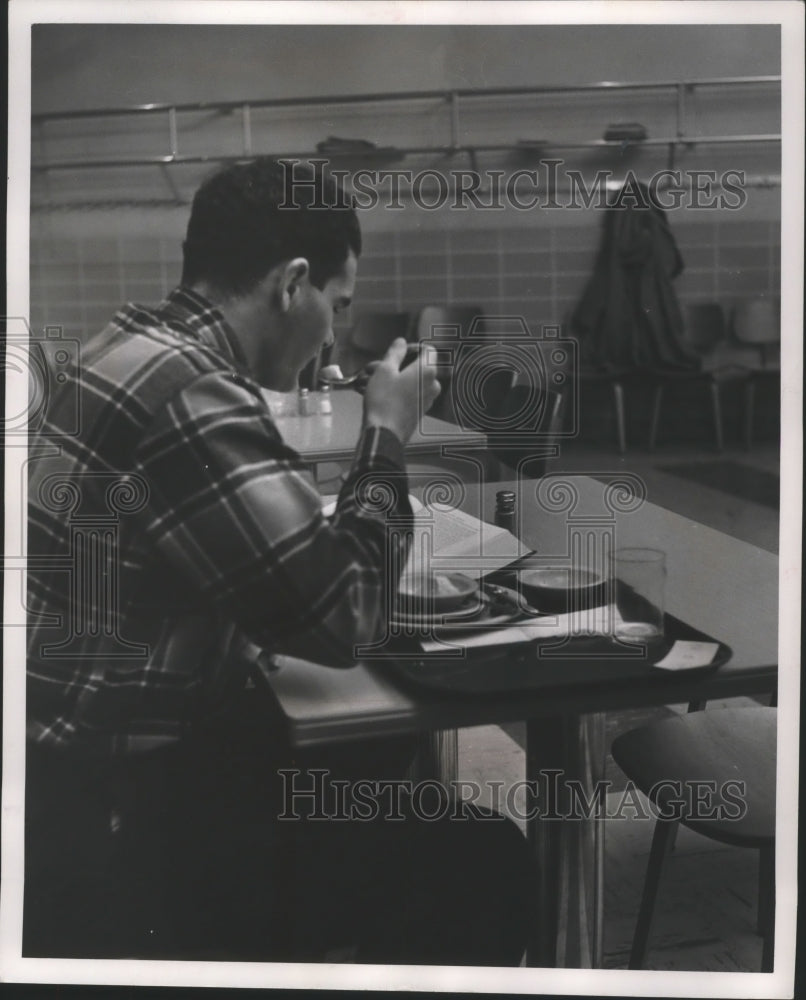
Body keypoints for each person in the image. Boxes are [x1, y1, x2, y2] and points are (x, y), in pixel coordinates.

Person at [25, 157, 533, 965]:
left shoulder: (122, 344)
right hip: (122, 815)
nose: (333, 335)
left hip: (63, 770)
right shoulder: (191, 393)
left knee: (371, 745)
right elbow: (345, 618)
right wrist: (387, 433)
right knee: (487, 855)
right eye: (337, 307)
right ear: (293, 284)